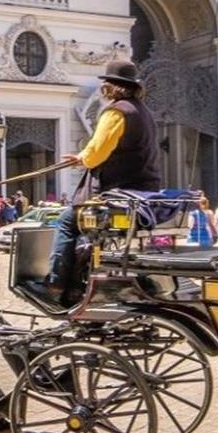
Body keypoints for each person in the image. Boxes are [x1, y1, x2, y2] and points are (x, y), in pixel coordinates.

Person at [34, 59, 162, 304]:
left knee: (66, 222)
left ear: (110, 86)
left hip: (118, 192)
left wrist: (83, 158)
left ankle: (56, 284)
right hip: (143, 190)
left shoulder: (117, 112)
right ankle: (80, 281)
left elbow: (96, 154)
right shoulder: (144, 113)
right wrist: (83, 157)